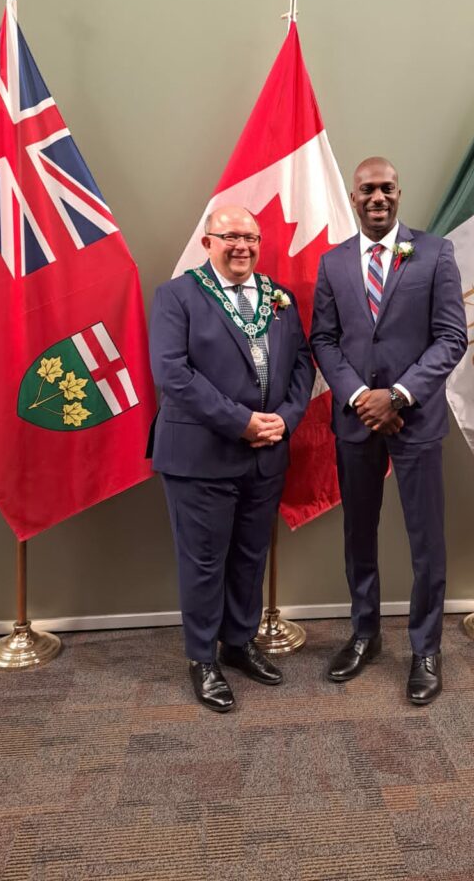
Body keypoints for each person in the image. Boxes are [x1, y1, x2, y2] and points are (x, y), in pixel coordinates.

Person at [310, 157, 467, 705]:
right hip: (356, 421)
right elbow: (324, 339)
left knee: (427, 541)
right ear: (354, 198)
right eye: (367, 190)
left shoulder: (435, 253)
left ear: (399, 193)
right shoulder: (332, 263)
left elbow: (451, 337)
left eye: (386, 188)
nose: (377, 197)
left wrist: (397, 395)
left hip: (415, 419)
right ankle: (365, 634)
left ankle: (426, 649)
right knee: (359, 534)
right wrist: (361, 397)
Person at [148, 205, 315, 712]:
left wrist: (286, 417)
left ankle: (238, 643)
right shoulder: (176, 296)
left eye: (250, 237)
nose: (242, 246)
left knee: (249, 555)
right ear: (208, 243)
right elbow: (172, 373)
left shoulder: (279, 298)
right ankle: (202, 658)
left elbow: (302, 363)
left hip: (266, 454)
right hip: (200, 454)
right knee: (203, 561)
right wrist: (241, 421)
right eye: (230, 237)